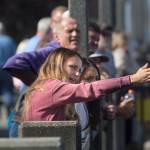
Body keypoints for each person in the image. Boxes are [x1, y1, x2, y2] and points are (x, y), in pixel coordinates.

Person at [0, 22, 16, 115]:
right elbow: (14, 55)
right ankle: (8, 111)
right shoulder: (9, 40)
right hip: (6, 69)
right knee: (7, 90)